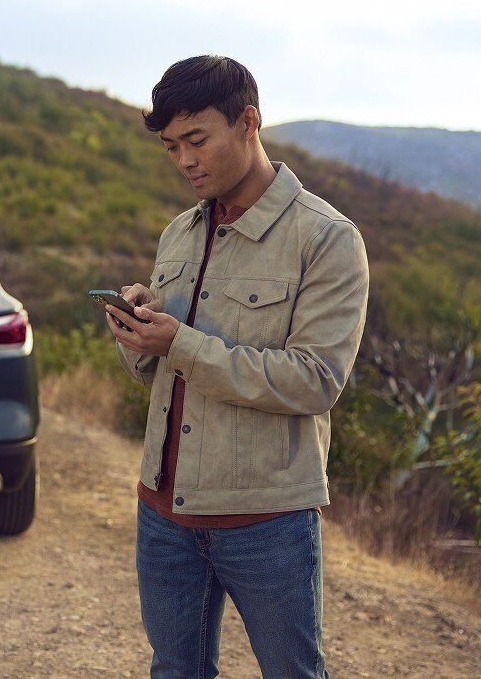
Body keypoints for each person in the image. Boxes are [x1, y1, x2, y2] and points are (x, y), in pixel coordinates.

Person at [103, 55, 368, 678]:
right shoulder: (179, 234)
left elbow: (315, 381)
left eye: (197, 140)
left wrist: (181, 344)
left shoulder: (326, 239)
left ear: (249, 122)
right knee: (175, 672)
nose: (185, 161)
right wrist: (137, 333)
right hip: (163, 511)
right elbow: (155, 374)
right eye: (172, 147)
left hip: (265, 518)